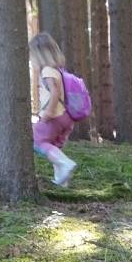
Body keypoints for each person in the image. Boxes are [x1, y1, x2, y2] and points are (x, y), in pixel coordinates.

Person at [29, 32, 77, 186]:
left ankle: (66, 164)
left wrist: (48, 113)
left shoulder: (47, 71)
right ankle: (61, 181)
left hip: (54, 116)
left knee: (37, 141)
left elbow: (54, 92)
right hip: (66, 117)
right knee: (54, 148)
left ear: (39, 54)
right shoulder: (58, 71)